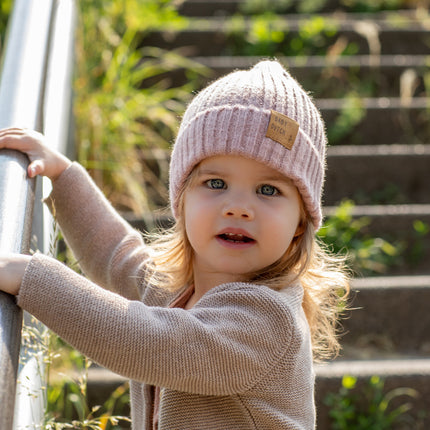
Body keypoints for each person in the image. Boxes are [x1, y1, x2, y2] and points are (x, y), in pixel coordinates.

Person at [0, 60, 349, 429]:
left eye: (268, 190)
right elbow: (118, 256)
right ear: (181, 200)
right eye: (215, 183)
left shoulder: (267, 320)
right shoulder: (177, 289)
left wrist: (31, 277)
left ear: (300, 223)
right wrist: (63, 176)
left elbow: (151, 342)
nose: (238, 207)